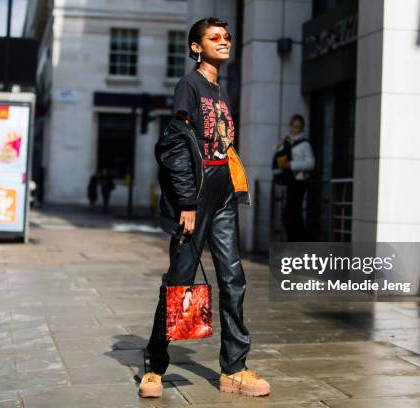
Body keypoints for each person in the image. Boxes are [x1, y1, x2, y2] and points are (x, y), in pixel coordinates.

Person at [139, 17, 271, 399]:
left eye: (227, 37)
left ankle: (235, 368)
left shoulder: (219, 89)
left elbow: (220, 145)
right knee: (180, 280)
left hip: (224, 193)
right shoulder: (189, 85)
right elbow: (177, 146)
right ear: (197, 47)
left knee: (234, 280)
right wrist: (186, 201)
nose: (224, 42)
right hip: (196, 195)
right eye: (215, 37)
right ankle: (154, 366)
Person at [273, 114, 315, 241]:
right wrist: (280, 145)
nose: (294, 129)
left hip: (299, 181)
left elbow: (311, 163)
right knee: (289, 214)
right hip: (289, 181)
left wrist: (291, 165)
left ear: (301, 128)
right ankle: (294, 240)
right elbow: (276, 155)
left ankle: (298, 240)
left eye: (297, 127)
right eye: (293, 126)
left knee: (293, 214)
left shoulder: (304, 144)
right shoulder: (287, 141)